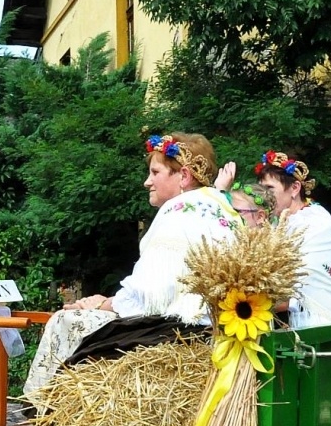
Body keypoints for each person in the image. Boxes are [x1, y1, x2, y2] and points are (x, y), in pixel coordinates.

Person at [23, 132, 240, 401]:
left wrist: (100, 303)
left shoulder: (179, 211)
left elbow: (150, 295)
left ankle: (49, 408)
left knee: (67, 320)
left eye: (155, 172)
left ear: (183, 175)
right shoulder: (222, 208)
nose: (147, 181)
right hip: (217, 327)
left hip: (177, 330)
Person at [253, 150, 331, 328]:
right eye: (261, 189)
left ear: (294, 188)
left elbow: (294, 280)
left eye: (269, 188)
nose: (263, 195)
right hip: (299, 325)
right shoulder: (281, 221)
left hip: (320, 326)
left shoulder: (315, 220)